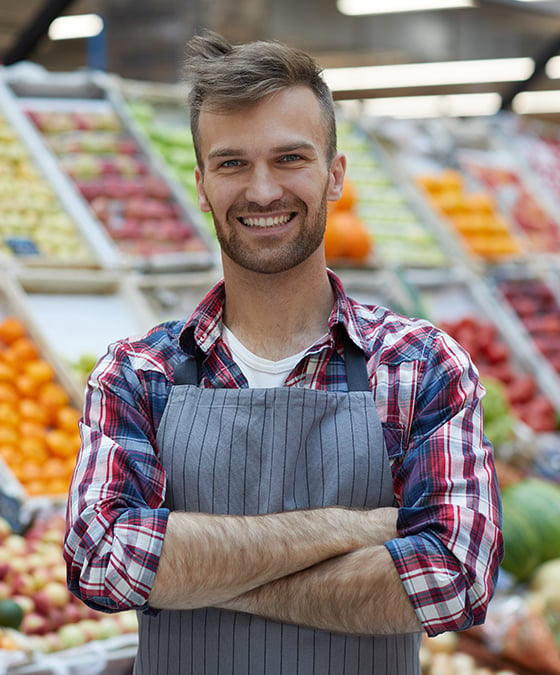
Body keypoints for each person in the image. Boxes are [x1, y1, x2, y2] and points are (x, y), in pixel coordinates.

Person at [64, 30, 503, 675]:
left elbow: (455, 578)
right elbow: (101, 562)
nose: (263, 191)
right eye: (232, 163)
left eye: (290, 158)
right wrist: (357, 529)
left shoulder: (421, 365)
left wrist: (201, 578)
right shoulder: (136, 374)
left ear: (335, 175)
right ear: (202, 184)